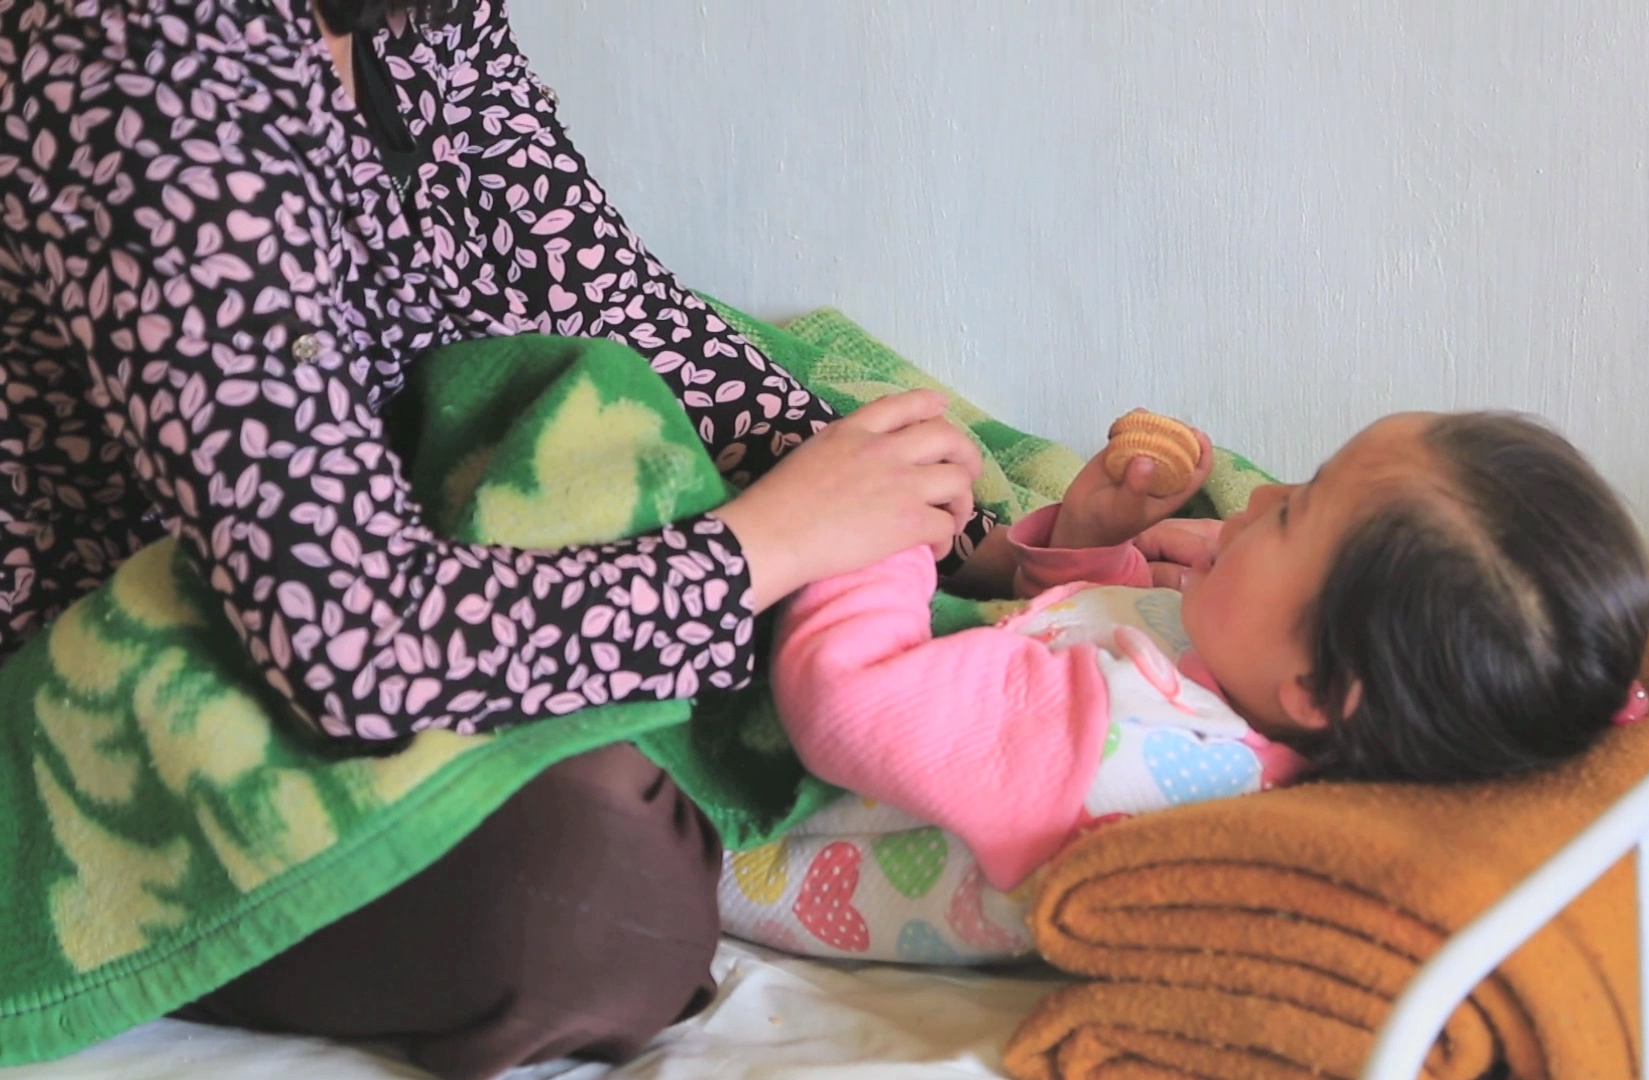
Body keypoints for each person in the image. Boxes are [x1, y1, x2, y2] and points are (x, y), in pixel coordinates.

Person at [0, 0, 1217, 1076]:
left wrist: (961, 538)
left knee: (797, 563)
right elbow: (350, 641)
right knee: (595, 904)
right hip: (137, 655)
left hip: (396, 552)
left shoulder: (421, 21)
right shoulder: (130, 48)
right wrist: (757, 550)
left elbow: (612, 299)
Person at [722, 410, 1649, 961]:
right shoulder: (1260, 701)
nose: (1256, 498)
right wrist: (1088, 542)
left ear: (1321, 686)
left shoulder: (1116, 744)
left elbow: (850, 701)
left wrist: (879, 532)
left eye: (1291, 514)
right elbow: (1071, 649)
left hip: (739, 819)